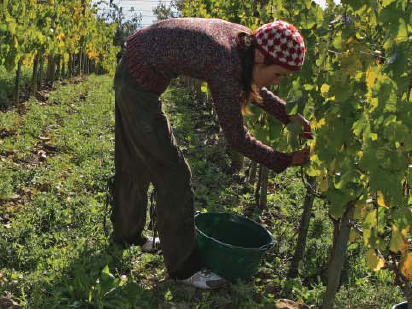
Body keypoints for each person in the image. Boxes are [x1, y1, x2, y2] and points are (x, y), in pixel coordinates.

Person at [111, 18, 311, 289]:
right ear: (262, 55)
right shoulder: (225, 62)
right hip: (136, 83)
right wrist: (284, 159)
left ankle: (128, 235)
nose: (276, 83)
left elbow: (257, 86)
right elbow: (237, 138)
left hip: (134, 67)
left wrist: (288, 116)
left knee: (135, 160)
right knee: (173, 174)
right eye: (278, 74)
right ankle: (183, 268)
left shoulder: (244, 44)